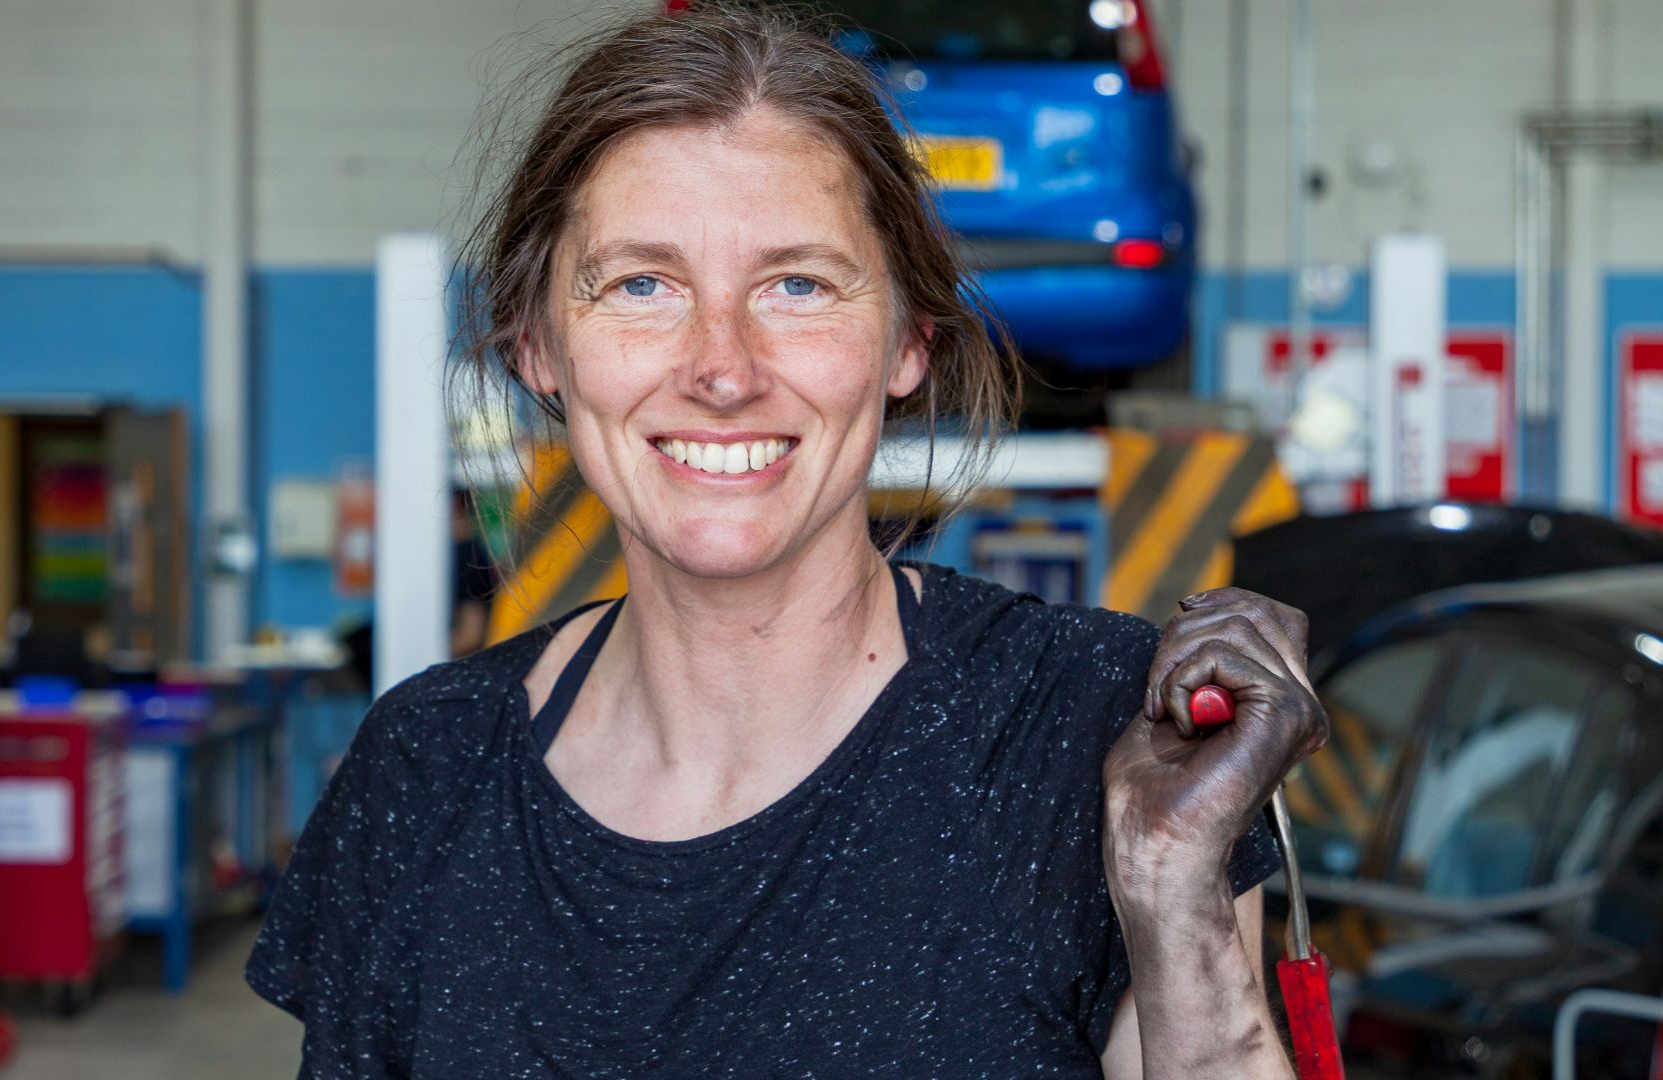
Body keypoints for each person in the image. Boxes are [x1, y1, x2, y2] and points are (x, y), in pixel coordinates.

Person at [247, 6, 1329, 1077]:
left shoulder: (1089, 732)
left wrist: (1173, 884)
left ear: (908, 340)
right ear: (537, 343)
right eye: (642, 285)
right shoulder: (424, 771)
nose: (723, 368)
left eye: (798, 285)